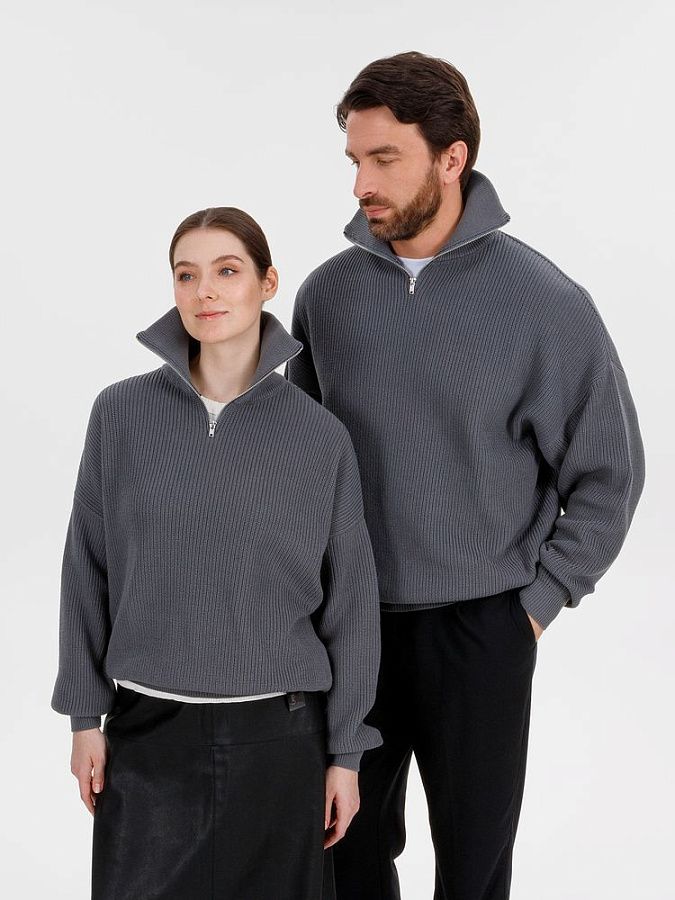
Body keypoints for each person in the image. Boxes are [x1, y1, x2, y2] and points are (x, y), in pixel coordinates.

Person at [286, 51, 646, 900]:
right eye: (354, 160)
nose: (361, 185)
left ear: (452, 158)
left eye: (384, 159)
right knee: (341, 858)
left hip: (482, 632)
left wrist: (535, 605)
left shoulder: (545, 303)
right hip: (352, 630)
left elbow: (609, 473)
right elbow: (295, 467)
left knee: (474, 874)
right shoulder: (326, 297)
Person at [50, 206, 383, 899]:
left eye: (227, 271)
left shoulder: (320, 437)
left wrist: (346, 754)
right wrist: (85, 719)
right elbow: (86, 569)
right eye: (186, 274)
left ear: (267, 284)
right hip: (147, 735)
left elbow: (351, 604)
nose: (205, 291)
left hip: (281, 741)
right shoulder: (120, 415)